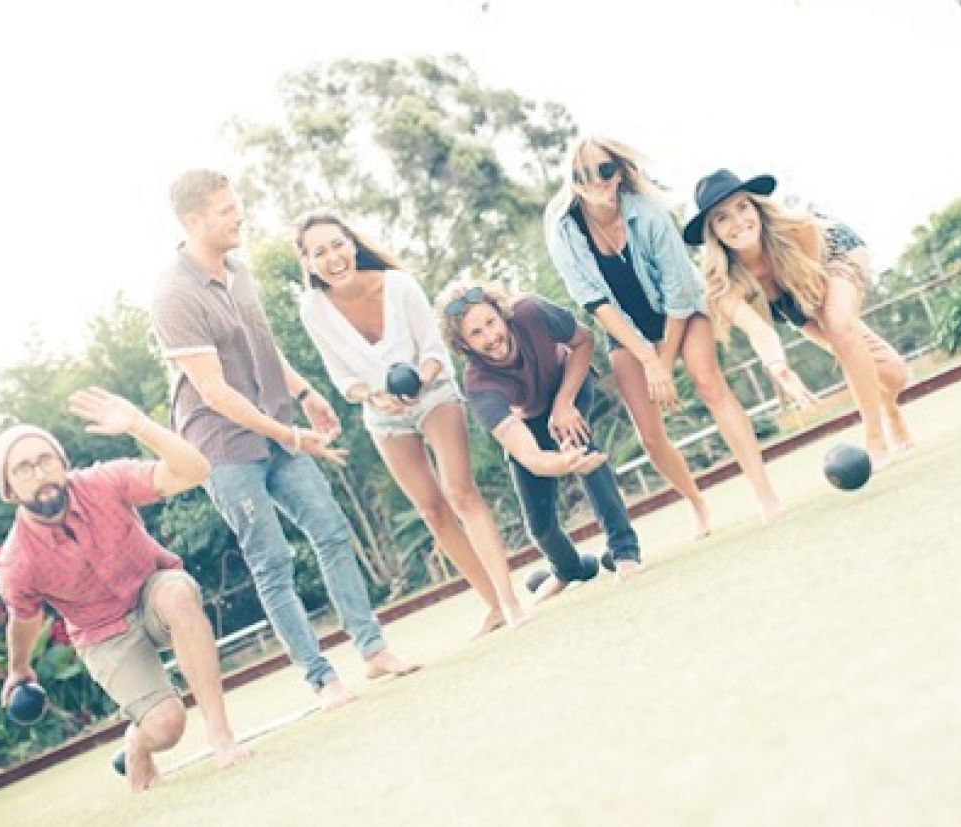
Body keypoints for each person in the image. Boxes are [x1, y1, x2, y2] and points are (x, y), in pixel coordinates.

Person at [150, 170, 417, 712]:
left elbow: (263, 348)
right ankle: (322, 680)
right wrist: (292, 433)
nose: (239, 215)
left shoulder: (239, 271)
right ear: (193, 220)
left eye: (235, 205)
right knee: (273, 563)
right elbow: (215, 392)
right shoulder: (174, 296)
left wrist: (306, 392)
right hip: (223, 447)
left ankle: (372, 649)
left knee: (333, 531)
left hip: (276, 425)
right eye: (226, 210)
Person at [0, 388, 252, 792]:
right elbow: (24, 618)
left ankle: (221, 736)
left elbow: (195, 470)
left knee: (178, 592)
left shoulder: (104, 481)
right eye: (23, 469)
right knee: (166, 726)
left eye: (45, 461)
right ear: (9, 490)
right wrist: (19, 669)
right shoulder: (16, 560)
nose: (39, 474)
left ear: (62, 463)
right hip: (102, 635)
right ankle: (137, 740)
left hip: (152, 593)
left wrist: (140, 425)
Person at [294, 211, 527, 634]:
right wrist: (374, 395)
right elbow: (341, 376)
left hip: (434, 393)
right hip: (383, 415)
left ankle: (511, 602)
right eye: (320, 252)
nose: (333, 257)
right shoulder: (313, 310)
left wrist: (420, 380)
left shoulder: (397, 285)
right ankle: (491, 603)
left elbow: (436, 350)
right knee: (432, 510)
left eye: (337, 245)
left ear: (352, 243)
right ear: (308, 263)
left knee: (460, 493)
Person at [544, 136, 784, 534]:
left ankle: (765, 494)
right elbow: (596, 304)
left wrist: (665, 363)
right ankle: (698, 504)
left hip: (682, 313)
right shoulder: (564, 235)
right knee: (651, 437)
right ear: (572, 180)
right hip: (626, 330)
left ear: (619, 172)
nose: (595, 181)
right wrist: (650, 360)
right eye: (582, 174)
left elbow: (678, 292)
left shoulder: (649, 214)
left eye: (604, 170)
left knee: (709, 384)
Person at [683, 169, 913, 470]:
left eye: (742, 207)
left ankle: (874, 440)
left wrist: (841, 336)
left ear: (756, 207)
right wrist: (778, 366)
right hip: (790, 303)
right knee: (894, 373)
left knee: (841, 328)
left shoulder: (800, 231)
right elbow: (759, 331)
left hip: (831, 256)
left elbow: (824, 304)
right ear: (712, 231)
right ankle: (889, 407)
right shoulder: (722, 283)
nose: (738, 222)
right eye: (722, 217)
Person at [436, 280, 643, 592]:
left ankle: (624, 550)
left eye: (491, 323)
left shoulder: (530, 310)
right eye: (475, 334)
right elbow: (531, 457)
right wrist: (561, 463)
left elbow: (584, 342)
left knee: (578, 443)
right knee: (538, 524)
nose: (490, 337)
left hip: (569, 382)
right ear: (463, 345)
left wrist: (564, 403)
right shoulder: (479, 385)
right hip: (529, 417)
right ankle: (569, 568)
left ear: (501, 314)